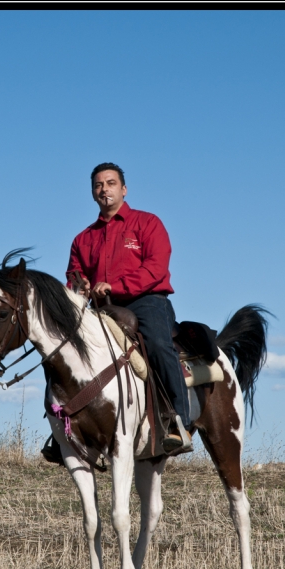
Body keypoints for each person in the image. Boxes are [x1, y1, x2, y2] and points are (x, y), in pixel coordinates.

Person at [66, 162, 192, 452]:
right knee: (67, 348)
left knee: (159, 346)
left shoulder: (148, 223)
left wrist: (115, 286)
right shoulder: (82, 238)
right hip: (100, 307)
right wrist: (80, 285)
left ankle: (177, 424)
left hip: (147, 301)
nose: (104, 189)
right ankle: (66, 428)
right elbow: (74, 274)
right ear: (92, 193)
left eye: (110, 183)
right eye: (98, 185)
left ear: (123, 189)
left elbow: (156, 269)